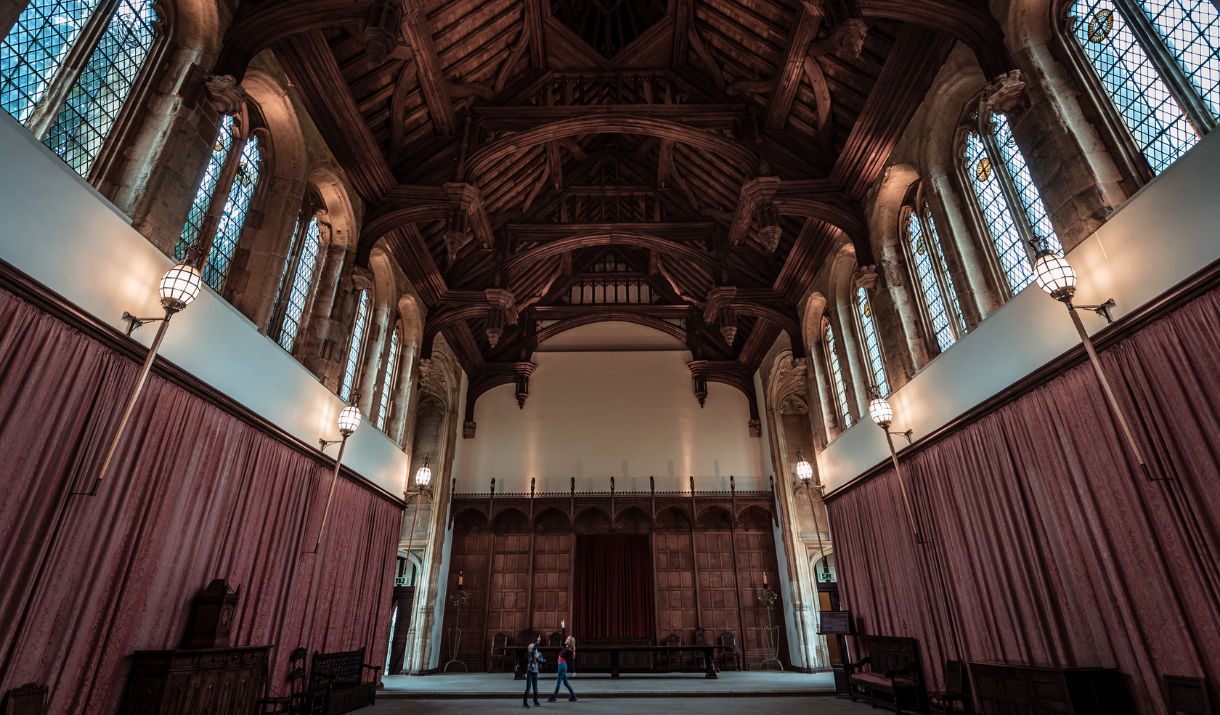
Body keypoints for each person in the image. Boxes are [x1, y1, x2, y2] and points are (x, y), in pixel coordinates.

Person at [547, 632, 578, 702]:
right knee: (566, 683)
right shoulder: (565, 647)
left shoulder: (569, 650)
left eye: (568, 640)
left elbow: (572, 661)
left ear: (570, 643)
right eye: (566, 639)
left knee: (558, 682)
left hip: (562, 666)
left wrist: (573, 671)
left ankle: (553, 697)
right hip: (562, 665)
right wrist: (563, 628)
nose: (566, 640)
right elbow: (563, 638)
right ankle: (574, 696)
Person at [523, 636, 544, 708]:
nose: (534, 649)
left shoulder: (539, 653)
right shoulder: (530, 654)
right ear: (530, 650)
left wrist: (538, 658)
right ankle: (525, 703)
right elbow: (533, 650)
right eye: (532, 648)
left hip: (535, 672)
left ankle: (536, 701)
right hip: (530, 672)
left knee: (535, 688)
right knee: (528, 688)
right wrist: (537, 643)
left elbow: (543, 661)